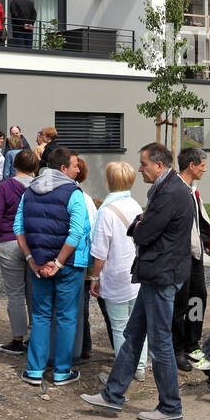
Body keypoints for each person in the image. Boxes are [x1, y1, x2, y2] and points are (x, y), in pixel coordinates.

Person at [81, 142, 194, 420]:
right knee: (133, 335)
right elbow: (142, 225)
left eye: (143, 164)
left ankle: (170, 406)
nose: (140, 168)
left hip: (161, 276)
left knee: (159, 344)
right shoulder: (168, 188)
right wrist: (141, 223)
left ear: (159, 165)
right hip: (156, 275)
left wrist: (141, 224)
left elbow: (143, 234)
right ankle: (113, 395)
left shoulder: (169, 192)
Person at [14, 146, 90, 386]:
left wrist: (30, 259)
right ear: (63, 168)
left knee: (40, 315)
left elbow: (19, 228)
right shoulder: (73, 193)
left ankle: (35, 370)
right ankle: (61, 372)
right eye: (76, 166)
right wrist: (58, 262)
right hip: (67, 265)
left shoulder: (29, 191)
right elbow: (76, 232)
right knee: (66, 317)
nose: (79, 170)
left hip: (38, 264)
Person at [88, 162, 147, 381]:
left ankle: (124, 371)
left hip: (115, 275)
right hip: (137, 273)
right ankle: (140, 367)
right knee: (139, 324)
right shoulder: (136, 206)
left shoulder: (106, 211)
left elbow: (100, 251)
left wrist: (95, 276)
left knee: (120, 325)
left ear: (108, 182)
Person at [0, 148, 38, 355]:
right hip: (33, 242)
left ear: (15, 165)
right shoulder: (39, 187)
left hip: (9, 240)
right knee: (34, 292)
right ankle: (36, 336)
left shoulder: (6, 186)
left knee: (15, 293)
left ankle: (18, 338)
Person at [171, 147, 210, 372]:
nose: (205, 170)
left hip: (195, 256)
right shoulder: (177, 190)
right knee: (179, 303)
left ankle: (192, 342)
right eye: (203, 166)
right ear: (192, 165)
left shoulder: (193, 190)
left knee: (198, 297)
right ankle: (177, 347)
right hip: (180, 257)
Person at [69, 154, 100, 361]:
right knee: (82, 305)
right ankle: (84, 346)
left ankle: (80, 346)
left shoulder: (81, 197)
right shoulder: (86, 197)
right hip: (85, 257)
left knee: (79, 305)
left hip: (79, 259)